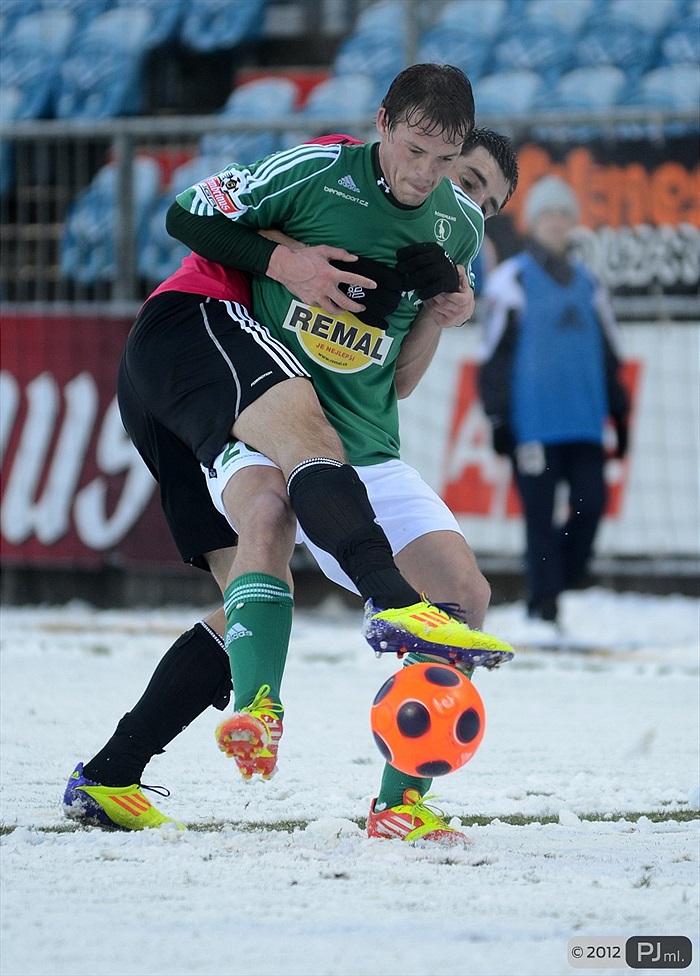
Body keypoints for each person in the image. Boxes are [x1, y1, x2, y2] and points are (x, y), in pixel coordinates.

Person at [63, 72, 517, 842]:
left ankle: (397, 802)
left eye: (466, 183)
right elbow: (201, 222)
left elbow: (401, 382)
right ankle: (258, 709)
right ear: (385, 129)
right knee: (265, 533)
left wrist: (443, 314)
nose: (437, 182)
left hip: (361, 449)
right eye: (442, 164)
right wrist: (290, 262)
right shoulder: (319, 177)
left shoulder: (452, 236)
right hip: (266, 418)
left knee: (462, 598)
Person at [478, 175, 629, 626]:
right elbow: (494, 357)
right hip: (534, 428)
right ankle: (543, 608)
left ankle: (554, 582)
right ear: (532, 222)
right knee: (539, 520)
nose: (557, 222)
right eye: (548, 214)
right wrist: (498, 418)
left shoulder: (589, 283)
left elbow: (608, 355)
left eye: (565, 214)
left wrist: (621, 416)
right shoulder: (512, 279)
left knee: (591, 506)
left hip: (584, 425)